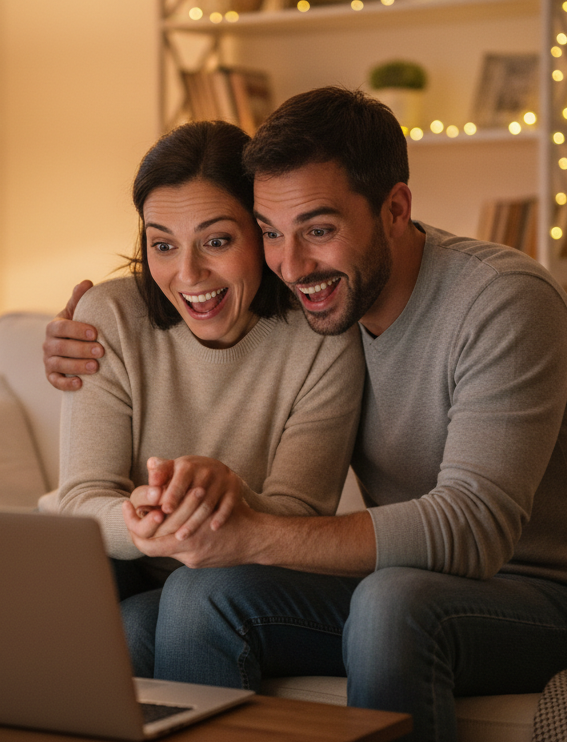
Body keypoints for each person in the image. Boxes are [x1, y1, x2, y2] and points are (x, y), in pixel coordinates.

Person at [43, 87, 567, 742]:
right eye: (270, 231)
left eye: (318, 229)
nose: (291, 265)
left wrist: (251, 529)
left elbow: (474, 531)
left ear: (395, 209)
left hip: (554, 599)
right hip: (416, 577)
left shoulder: (502, 303)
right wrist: (76, 336)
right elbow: (210, 331)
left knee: (393, 603)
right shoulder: (329, 308)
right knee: (187, 601)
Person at [43, 119, 365, 676]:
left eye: (217, 241)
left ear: (262, 236)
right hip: (132, 570)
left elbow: (302, 516)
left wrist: (228, 496)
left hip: (245, 582)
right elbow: (81, 501)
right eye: (162, 244)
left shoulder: (323, 338)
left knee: (151, 623)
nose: (188, 274)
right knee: (72, 579)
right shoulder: (111, 318)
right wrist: (142, 517)